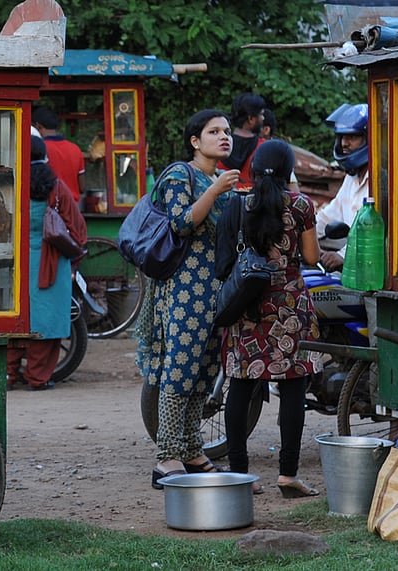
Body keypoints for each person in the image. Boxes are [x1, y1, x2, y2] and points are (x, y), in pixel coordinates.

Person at [137, 109, 241, 489]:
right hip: (183, 288)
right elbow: (180, 223)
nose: (224, 137)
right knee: (179, 369)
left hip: (213, 290)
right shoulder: (181, 174)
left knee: (204, 371)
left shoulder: (218, 179)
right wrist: (215, 191)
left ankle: (194, 450)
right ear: (195, 141)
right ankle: (167, 457)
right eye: (214, 131)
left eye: (227, 131)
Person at [216, 139, 323, 498]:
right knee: (293, 387)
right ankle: (287, 475)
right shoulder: (301, 205)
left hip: (248, 305)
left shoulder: (237, 205)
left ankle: (239, 475)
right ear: (287, 170)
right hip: (288, 307)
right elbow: (311, 257)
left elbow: (224, 262)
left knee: (241, 385)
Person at [6, 134, 86, 391]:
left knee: (11, 318)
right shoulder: (57, 186)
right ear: (45, 156)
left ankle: (7, 374)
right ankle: (37, 377)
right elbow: (77, 229)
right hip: (52, 262)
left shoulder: (10, 184)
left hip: (13, 262)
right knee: (47, 320)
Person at [314, 103, 370, 270]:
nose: (344, 143)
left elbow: (373, 233)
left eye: (352, 137)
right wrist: (301, 236)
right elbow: (325, 218)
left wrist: (342, 255)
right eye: (342, 137)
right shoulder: (350, 179)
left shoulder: (382, 180)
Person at [32, 106, 86, 204]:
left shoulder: (39, 149)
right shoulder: (75, 149)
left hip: (49, 208)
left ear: (38, 127)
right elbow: (82, 187)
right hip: (73, 209)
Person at [219, 93, 267, 188]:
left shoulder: (219, 145)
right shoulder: (265, 148)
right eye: (261, 114)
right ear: (251, 119)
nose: (263, 118)